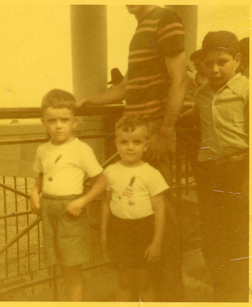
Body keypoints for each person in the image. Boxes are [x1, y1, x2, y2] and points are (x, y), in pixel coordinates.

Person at [78, 5, 187, 301]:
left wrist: (164, 131)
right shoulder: (142, 27)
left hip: (151, 132)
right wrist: (87, 101)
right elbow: (127, 87)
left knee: (162, 213)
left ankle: (171, 297)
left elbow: (180, 79)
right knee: (144, 215)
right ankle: (149, 293)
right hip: (139, 129)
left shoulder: (165, 19)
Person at [180, 31, 249, 302]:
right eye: (209, 64)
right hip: (210, 174)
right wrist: (166, 120)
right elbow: (194, 116)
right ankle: (221, 292)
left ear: (237, 59)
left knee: (237, 236)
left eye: (222, 61)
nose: (215, 69)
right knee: (211, 237)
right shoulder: (202, 92)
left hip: (238, 171)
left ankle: (239, 295)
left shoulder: (246, 90)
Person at [30, 89, 106, 301]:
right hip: (49, 212)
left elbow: (101, 182)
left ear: (75, 121)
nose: (58, 125)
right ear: (43, 122)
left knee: (73, 270)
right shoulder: (42, 150)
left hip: (71, 213)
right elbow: (41, 176)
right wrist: (34, 192)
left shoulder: (81, 149)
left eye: (64, 119)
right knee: (57, 265)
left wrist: (81, 201)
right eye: (52, 120)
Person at [101, 115, 168, 302]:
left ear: (146, 145)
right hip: (119, 231)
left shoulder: (151, 174)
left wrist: (156, 243)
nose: (130, 147)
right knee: (123, 280)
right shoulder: (110, 172)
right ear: (116, 144)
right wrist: (104, 233)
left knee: (144, 281)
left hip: (143, 231)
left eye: (137, 142)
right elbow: (106, 203)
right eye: (124, 142)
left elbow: (160, 210)